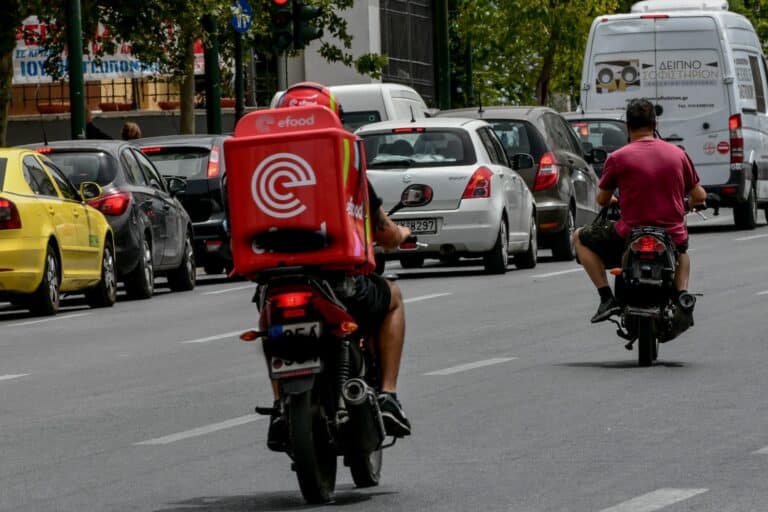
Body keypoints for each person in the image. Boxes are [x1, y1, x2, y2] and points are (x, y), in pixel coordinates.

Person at [266, 82, 413, 450]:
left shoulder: (259, 165)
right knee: (392, 297)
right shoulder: (344, 162)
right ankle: (389, 395)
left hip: (277, 284)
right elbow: (382, 231)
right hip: (339, 285)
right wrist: (400, 233)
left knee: (271, 326)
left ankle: (279, 405)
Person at [574, 98, 707, 323]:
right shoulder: (677, 154)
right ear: (655, 125)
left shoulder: (617, 158)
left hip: (628, 235)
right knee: (682, 251)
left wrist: (615, 200)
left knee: (579, 237)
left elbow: (602, 198)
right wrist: (690, 204)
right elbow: (700, 195)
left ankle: (606, 297)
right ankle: (682, 294)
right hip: (670, 235)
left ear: (628, 126)